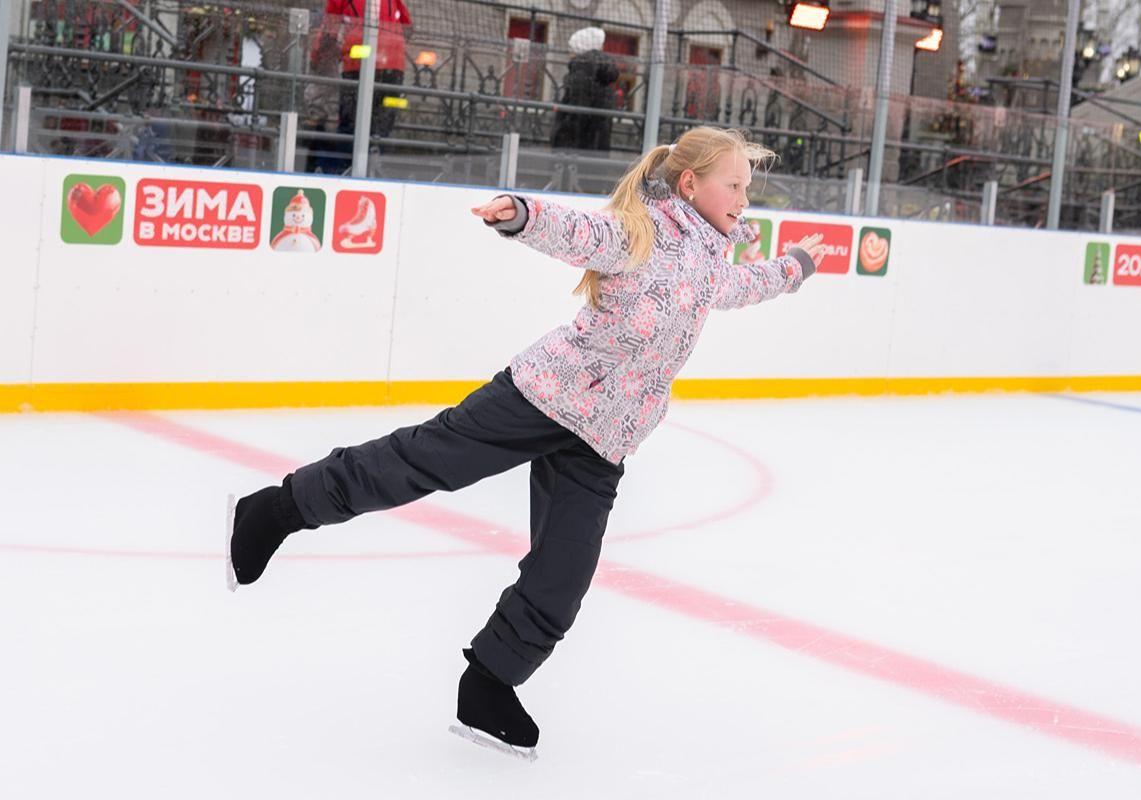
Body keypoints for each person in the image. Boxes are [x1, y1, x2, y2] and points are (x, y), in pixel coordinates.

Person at [226, 126, 824, 761]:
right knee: (420, 461)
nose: (744, 199)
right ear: (690, 183)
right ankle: (276, 510)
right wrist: (521, 215)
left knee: (565, 573)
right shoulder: (642, 233)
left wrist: (795, 268)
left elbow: (742, 287)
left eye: (747, 188)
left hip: (604, 439)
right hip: (544, 396)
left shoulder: (711, 259)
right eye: (734, 185)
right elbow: (578, 233)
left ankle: (489, 682)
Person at [318, 0, 412, 172]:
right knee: (383, 122)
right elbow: (407, 26)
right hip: (393, 63)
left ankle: (348, 169)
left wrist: (319, 56)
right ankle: (375, 164)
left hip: (358, 61)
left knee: (351, 121)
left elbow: (329, 29)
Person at [550, 27, 619, 152]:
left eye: (571, 48)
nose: (569, 53)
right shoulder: (603, 70)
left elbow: (576, 110)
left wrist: (561, 135)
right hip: (598, 142)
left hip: (576, 146)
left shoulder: (581, 69)